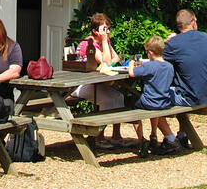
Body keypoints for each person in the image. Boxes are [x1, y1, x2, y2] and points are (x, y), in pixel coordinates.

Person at [71, 12, 132, 149]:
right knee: (108, 99)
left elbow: (116, 58)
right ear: (95, 31)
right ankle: (99, 137)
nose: (107, 32)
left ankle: (116, 135)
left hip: (96, 82)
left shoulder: (104, 42)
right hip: (81, 84)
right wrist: (105, 42)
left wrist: (106, 43)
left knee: (119, 96)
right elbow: (107, 62)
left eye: (108, 29)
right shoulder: (90, 44)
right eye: (104, 29)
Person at [163, 8, 207, 150]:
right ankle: (182, 135)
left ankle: (169, 139)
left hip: (192, 98)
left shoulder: (173, 44)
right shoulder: (206, 37)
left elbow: (158, 63)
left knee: (152, 96)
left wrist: (171, 42)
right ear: (193, 22)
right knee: (185, 85)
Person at [128, 36, 176, 156]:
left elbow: (132, 73)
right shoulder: (169, 66)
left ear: (150, 52)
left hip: (149, 102)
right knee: (154, 107)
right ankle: (153, 135)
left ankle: (141, 140)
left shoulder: (149, 66)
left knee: (132, 104)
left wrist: (131, 64)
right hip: (164, 102)